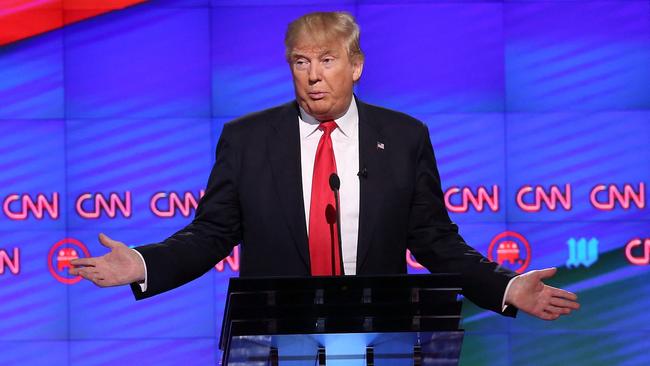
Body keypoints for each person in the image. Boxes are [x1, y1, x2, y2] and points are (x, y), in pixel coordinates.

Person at [71, 11, 579, 321]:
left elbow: (434, 241)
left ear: (356, 66)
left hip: (379, 337)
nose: (314, 76)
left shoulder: (403, 138)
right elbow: (211, 234)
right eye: (300, 61)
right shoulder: (248, 140)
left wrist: (507, 287)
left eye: (328, 60)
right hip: (275, 340)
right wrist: (143, 264)